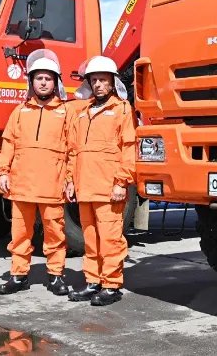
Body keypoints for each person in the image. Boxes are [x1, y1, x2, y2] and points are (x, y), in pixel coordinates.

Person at [0, 49, 72, 297]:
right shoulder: (19, 112)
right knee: (19, 234)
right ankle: (18, 275)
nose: (44, 83)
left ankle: (56, 276)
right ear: (31, 82)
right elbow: (8, 144)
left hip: (52, 185)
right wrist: (2, 172)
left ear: (56, 82)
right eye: (39, 78)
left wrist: (70, 179)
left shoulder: (66, 113)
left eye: (48, 78)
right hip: (21, 185)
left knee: (55, 233)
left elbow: (73, 150)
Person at [66, 55, 137, 307]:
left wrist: (122, 182)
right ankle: (93, 281)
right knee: (90, 239)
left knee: (110, 239)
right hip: (85, 188)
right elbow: (74, 150)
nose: (98, 85)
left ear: (112, 82)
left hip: (109, 188)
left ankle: (111, 285)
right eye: (94, 80)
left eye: (103, 80)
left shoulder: (122, 110)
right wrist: (70, 180)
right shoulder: (83, 113)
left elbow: (129, 148)